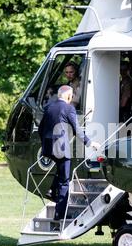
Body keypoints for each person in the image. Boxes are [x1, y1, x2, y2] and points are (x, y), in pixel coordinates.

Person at [38, 85, 100, 222]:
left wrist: (45, 145)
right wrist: (90, 143)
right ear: (68, 96)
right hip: (61, 149)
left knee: (60, 172)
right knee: (64, 181)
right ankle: (59, 214)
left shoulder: (49, 107)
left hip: (48, 148)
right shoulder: (69, 108)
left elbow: (41, 129)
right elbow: (77, 130)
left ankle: (51, 189)